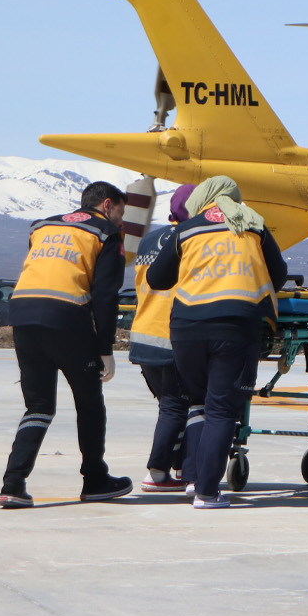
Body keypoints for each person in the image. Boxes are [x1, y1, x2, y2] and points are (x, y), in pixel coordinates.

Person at [146, 176, 287, 509]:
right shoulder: (253, 225)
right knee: (222, 410)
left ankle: (191, 477)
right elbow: (278, 274)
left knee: (198, 402)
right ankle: (206, 491)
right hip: (234, 327)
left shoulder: (187, 229)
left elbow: (156, 278)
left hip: (186, 329)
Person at [0, 181, 131, 508]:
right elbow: (105, 296)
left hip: (24, 313)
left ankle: (13, 484)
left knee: (39, 406)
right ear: (107, 205)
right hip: (67, 317)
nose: (121, 221)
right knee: (89, 401)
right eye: (120, 213)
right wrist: (105, 349)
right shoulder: (105, 234)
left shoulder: (43, 226)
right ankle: (95, 479)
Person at [129, 183, 196, 493]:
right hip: (169, 335)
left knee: (171, 405)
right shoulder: (191, 240)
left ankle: (178, 466)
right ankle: (156, 473)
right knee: (175, 407)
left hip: (143, 334)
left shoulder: (149, 240)